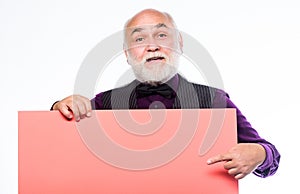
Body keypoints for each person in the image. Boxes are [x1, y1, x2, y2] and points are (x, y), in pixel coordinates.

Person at [51, 8, 280, 180]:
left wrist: (259, 154)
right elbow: (58, 153)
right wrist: (61, 108)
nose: (152, 46)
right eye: (139, 39)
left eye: (161, 35)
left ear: (179, 43)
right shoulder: (104, 103)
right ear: (127, 54)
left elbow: (270, 153)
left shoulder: (213, 100)